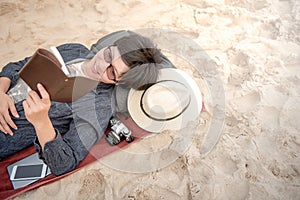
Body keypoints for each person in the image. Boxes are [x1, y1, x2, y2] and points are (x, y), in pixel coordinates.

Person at [0, 30, 174, 175]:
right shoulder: (75, 50)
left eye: (112, 73)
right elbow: (17, 66)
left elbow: (65, 163)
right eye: (108, 55)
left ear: (120, 83)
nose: (100, 66)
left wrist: (41, 122)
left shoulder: (98, 105)